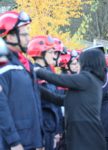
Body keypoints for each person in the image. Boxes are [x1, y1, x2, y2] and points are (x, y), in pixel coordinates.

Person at [35, 48, 107, 150]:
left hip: (85, 136)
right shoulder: (92, 81)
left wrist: (36, 70)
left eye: (80, 62)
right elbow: (59, 100)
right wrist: (37, 87)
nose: (78, 64)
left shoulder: (87, 78)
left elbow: (59, 79)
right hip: (85, 134)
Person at [0, 11, 43, 150]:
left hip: (30, 142)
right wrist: (14, 142)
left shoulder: (23, 64)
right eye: (24, 34)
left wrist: (39, 140)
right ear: (10, 36)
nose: (28, 38)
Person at [27, 35, 64, 150]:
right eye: (51, 52)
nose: (54, 56)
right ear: (40, 53)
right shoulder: (33, 74)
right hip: (42, 129)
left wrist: (58, 129)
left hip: (51, 128)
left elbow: (56, 101)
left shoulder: (48, 73)